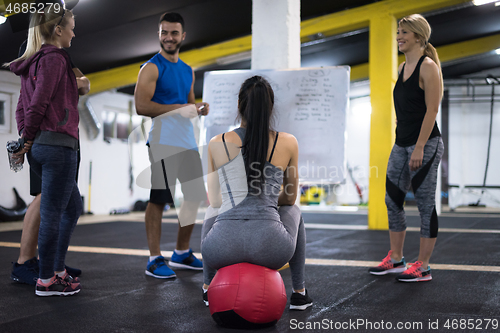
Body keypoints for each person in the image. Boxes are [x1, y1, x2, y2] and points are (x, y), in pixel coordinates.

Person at [201, 75, 313, 310]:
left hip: (220, 248)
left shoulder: (216, 142)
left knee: (212, 209)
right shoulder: (288, 142)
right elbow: (290, 198)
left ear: (239, 105)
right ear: (270, 107)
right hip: (271, 248)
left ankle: (207, 287)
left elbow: (216, 199)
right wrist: (268, 199)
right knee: (294, 209)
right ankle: (299, 293)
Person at [7, 5, 82, 296]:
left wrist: (27, 141)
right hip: (57, 145)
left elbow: (21, 107)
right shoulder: (54, 57)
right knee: (52, 213)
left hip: (42, 147)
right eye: (72, 27)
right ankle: (47, 279)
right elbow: (37, 103)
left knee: (72, 207)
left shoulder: (33, 61)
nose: (74, 33)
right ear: (58, 29)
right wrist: (27, 138)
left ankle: (57, 268)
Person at [369, 14, 444, 282]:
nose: (398, 36)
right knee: (392, 199)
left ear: (418, 36)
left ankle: (423, 265)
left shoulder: (428, 67)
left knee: (425, 205)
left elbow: (432, 110)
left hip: (426, 143)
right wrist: (404, 142)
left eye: (404, 32)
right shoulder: (402, 68)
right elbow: (404, 110)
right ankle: (397, 258)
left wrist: (419, 146)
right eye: (398, 32)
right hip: (401, 144)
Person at [134, 12, 209, 279]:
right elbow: (141, 106)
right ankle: (154, 259)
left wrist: (198, 108)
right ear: (159, 34)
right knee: (160, 199)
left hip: (187, 141)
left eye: (174, 33)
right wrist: (179, 109)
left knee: (193, 197)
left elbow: (187, 103)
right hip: (162, 141)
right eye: (164, 32)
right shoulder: (151, 67)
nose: (169, 37)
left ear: (183, 36)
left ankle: (181, 252)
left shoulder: (188, 70)